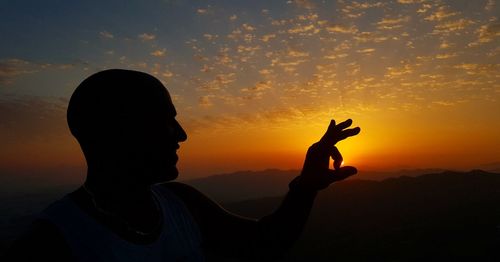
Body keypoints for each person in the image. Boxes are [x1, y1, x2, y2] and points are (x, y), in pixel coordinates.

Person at [3, 69, 360, 261]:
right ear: (117, 130)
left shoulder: (180, 203)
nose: (182, 135)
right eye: (165, 120)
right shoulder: (51, 245)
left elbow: (265, 244)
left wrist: (306, 185)